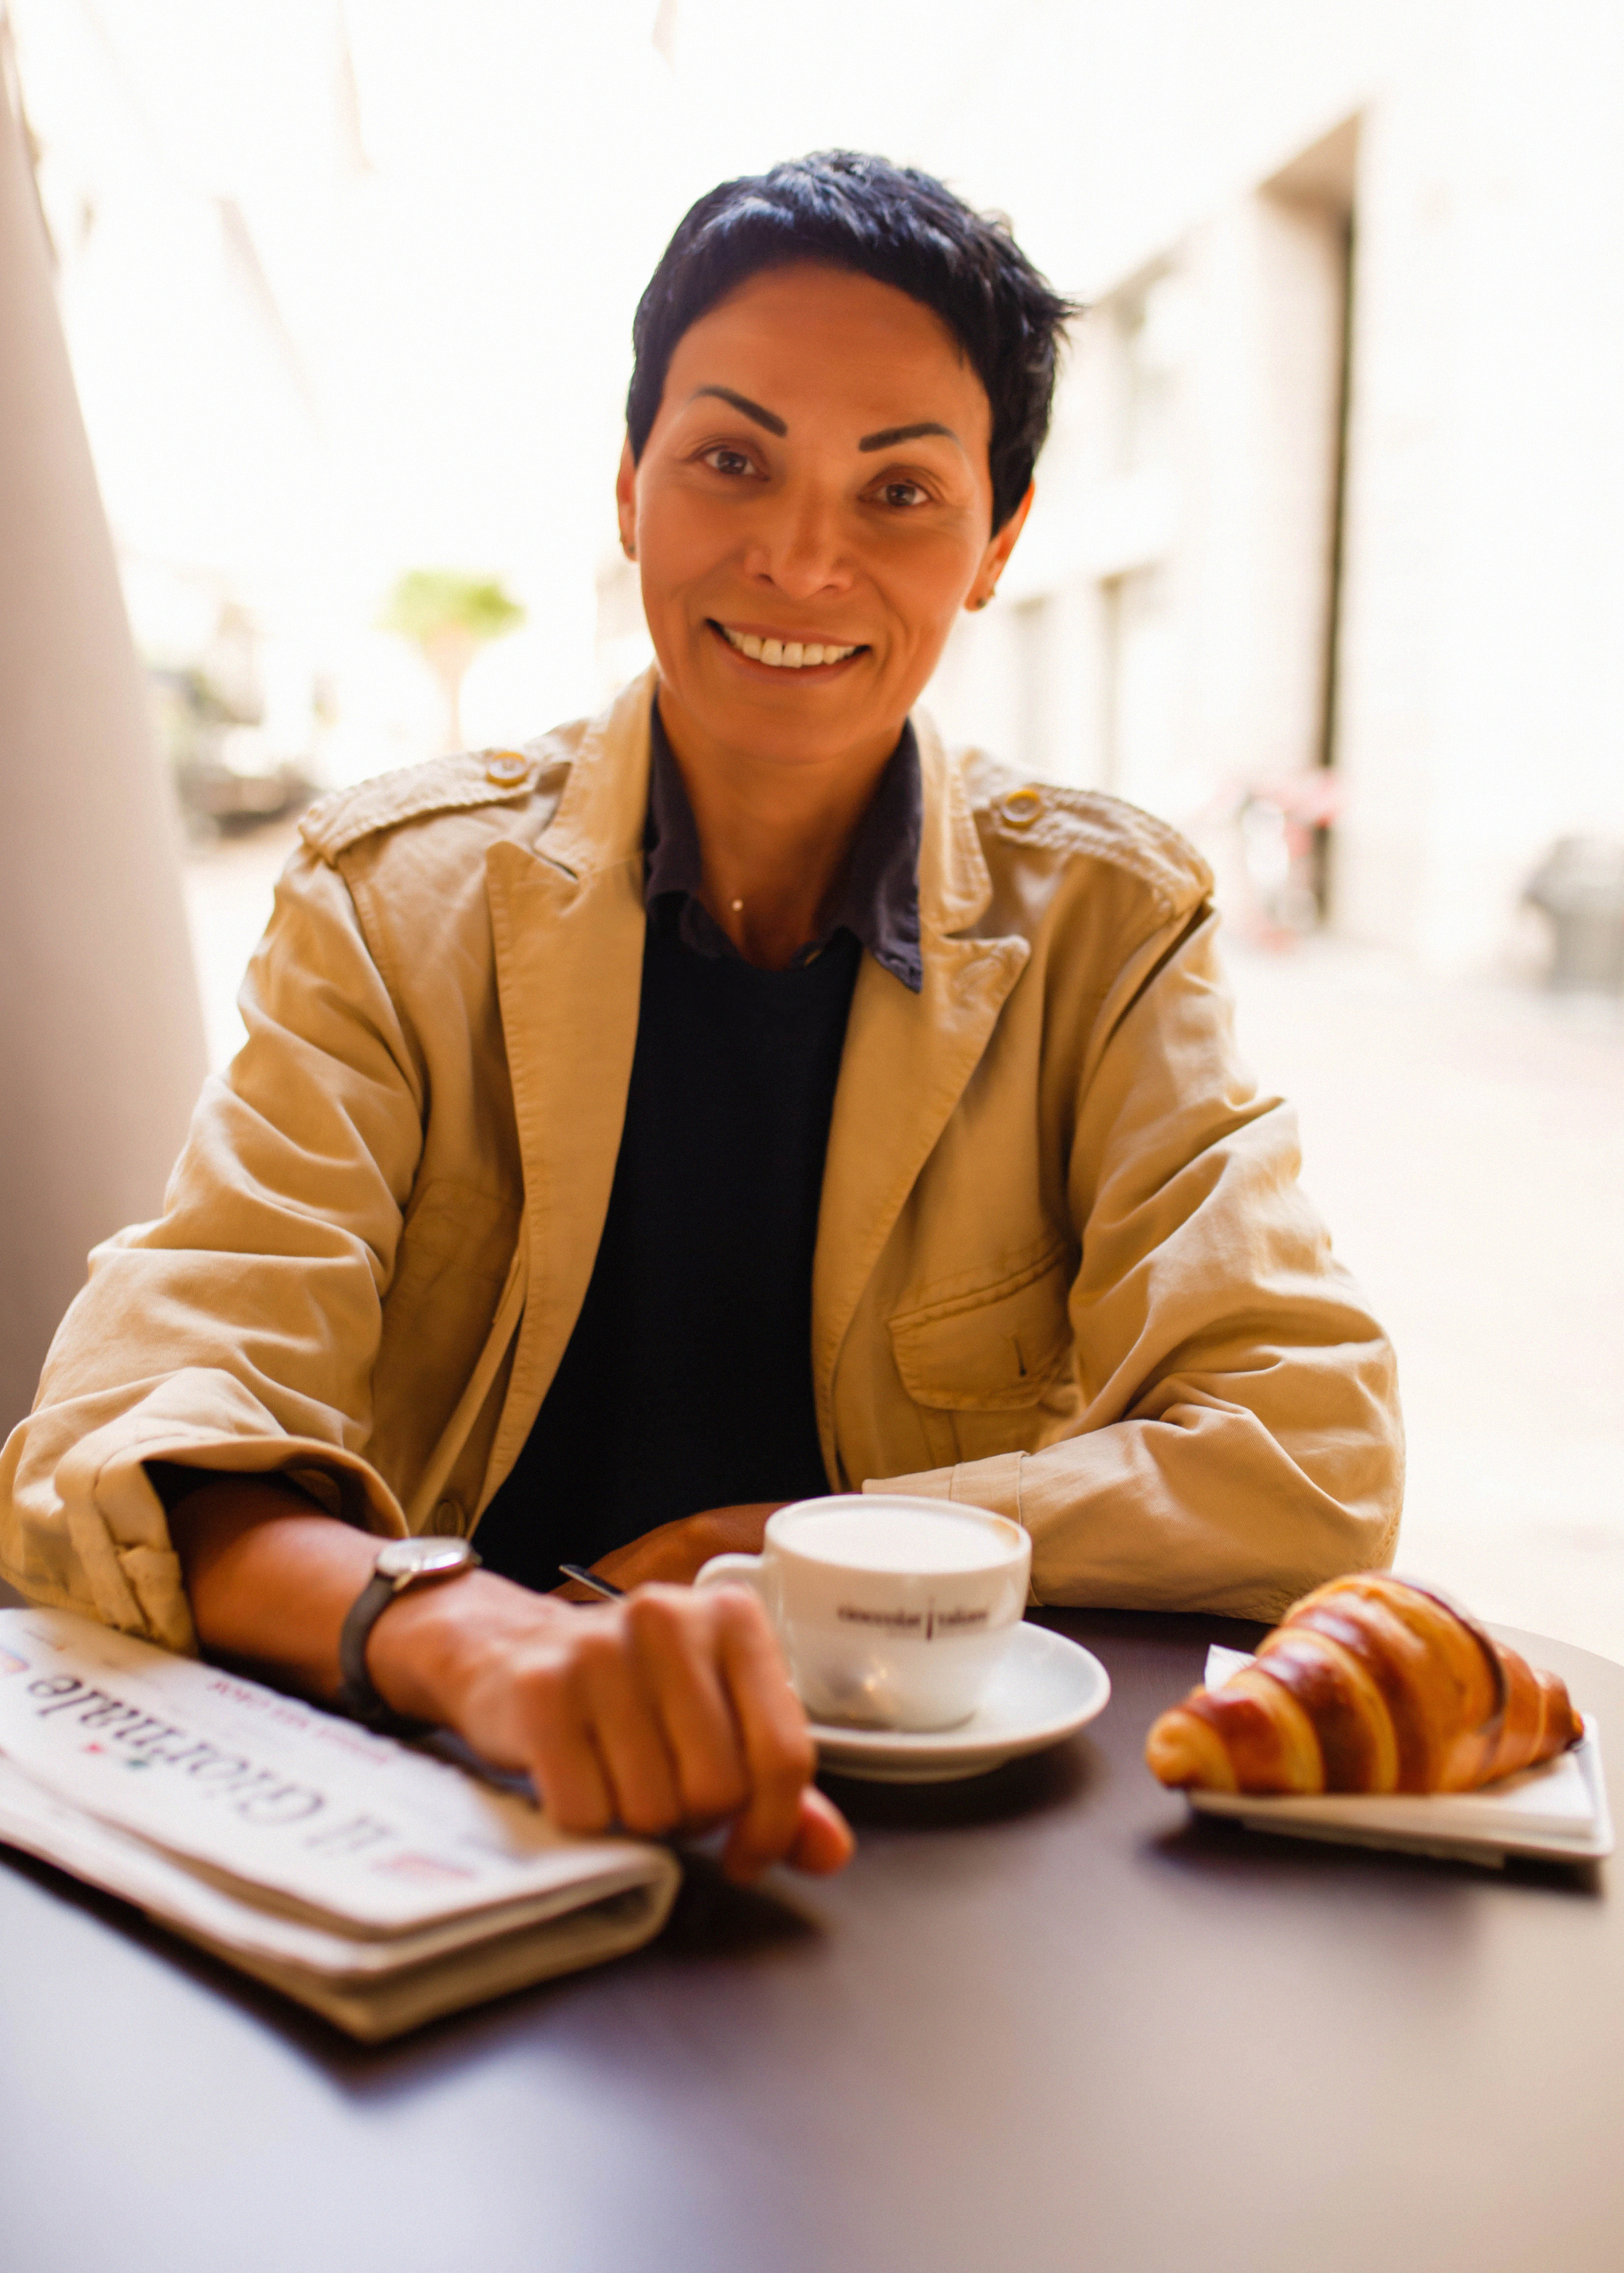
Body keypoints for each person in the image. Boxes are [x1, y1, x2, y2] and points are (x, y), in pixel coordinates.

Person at [0, 152, 1401, 1885]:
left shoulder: (1107, 929)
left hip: (924, 1857)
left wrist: (773, 1550)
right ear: (629, 491)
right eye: (734, 459)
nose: (803, 557)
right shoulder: (389, 900)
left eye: (900, 491)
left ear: (999, 544)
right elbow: (136, 1425)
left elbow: (1311, 1452)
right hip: (461, 1803)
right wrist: (476, 1637)